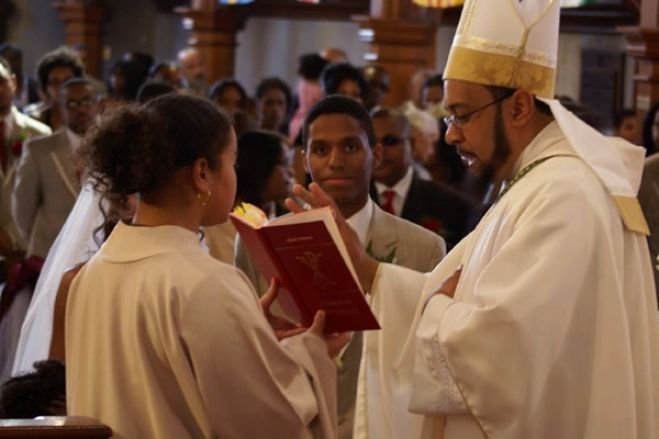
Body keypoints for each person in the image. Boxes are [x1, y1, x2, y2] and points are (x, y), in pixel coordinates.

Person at [288, 0, 659, 438]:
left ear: (519, 107)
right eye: (449, 116)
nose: (450, 134)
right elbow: (464, 297)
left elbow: (501, 358)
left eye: (462, 115)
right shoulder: (535, 183)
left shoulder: (565, 196)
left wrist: (434, 309)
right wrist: (368, 271)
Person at [65, 94, 346, 438]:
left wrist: (253, 337)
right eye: (232, 162)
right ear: (202, 173)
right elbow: (266, 424)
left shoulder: (92, 273)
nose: (235, 175)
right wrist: (314, 351)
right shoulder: (207, 284)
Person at [236, 95, 446, 439]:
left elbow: (430, 354)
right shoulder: (259, 242)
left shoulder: (423, 248)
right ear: (303, 159)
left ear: (374, 154)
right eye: (320, 150)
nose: (335, 161)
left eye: (350, 147)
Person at [0, 58, 51, 382]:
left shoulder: (38, 134)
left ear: (14, 83)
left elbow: (43, 200)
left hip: (24, 254)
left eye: (1, 83)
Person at [13, 77, 99, 260]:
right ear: (60, 108)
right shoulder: (39, 149)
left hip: (97, 253)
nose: (81, 109)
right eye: (72, 103)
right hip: (49, 253)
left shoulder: (112, 147)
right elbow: (23, 208)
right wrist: (35, 245)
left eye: (86, 101)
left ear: (96, 104)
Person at [371, 108, 473, 250]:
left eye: (390, 141)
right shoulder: (350, 200)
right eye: (371, 143)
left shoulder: (453, 205)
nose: (379, 151)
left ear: (411, 145)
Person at [205, 130, 293, 264]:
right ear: (261, 167)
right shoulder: (219, 226)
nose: (290, 171)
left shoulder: (284, 214)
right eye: (283, 163)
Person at [23, 47, 84, 131]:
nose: (62, 86)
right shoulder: (34, 122)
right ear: (46, 88)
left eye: (68, 81)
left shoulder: (87, 121)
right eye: (55, 82)